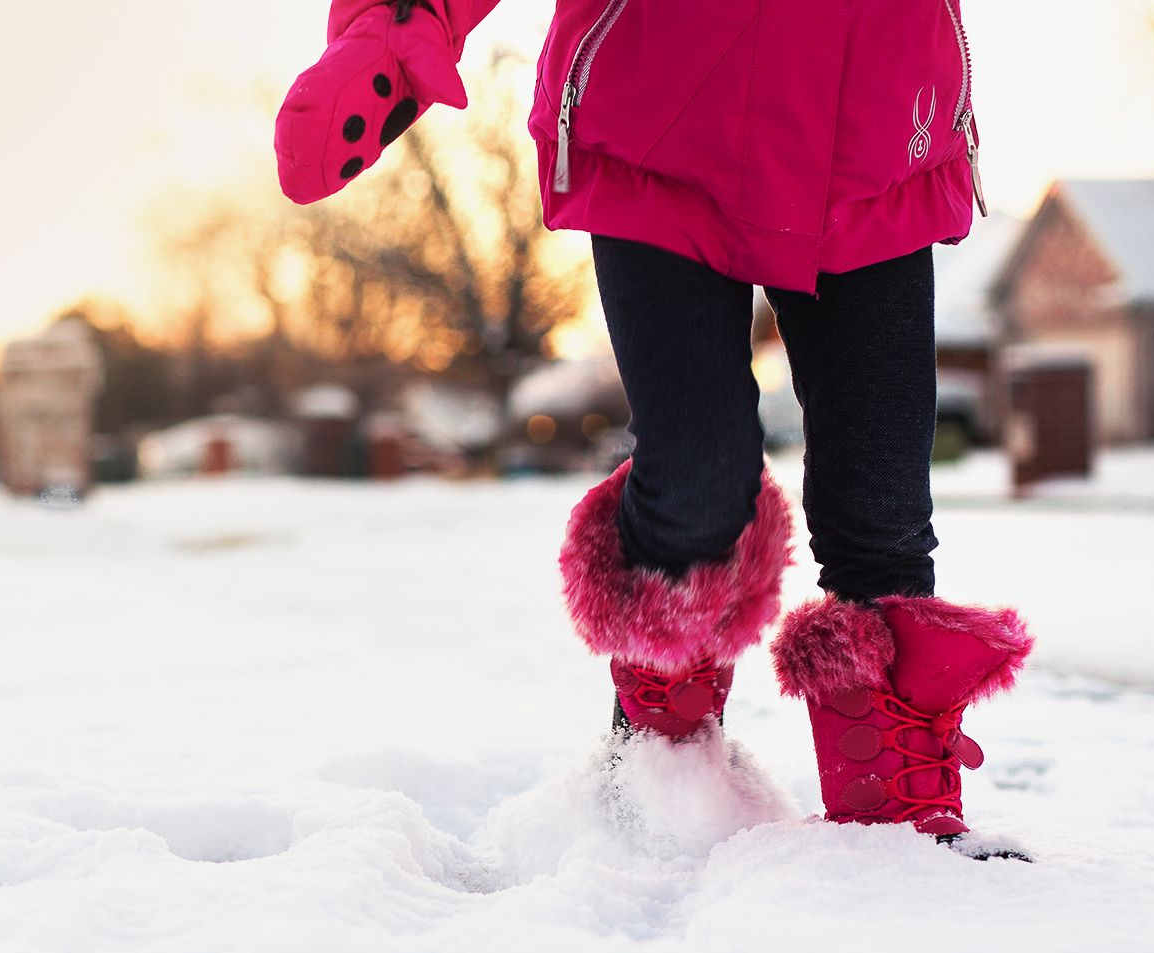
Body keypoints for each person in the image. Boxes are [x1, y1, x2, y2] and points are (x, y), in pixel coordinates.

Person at [275, 0, 1033, 854]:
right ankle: (660, 776)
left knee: (884, 508)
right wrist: (389, 33)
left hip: (879, 130)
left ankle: (893, 816)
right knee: (700, 472)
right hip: (663, 123)